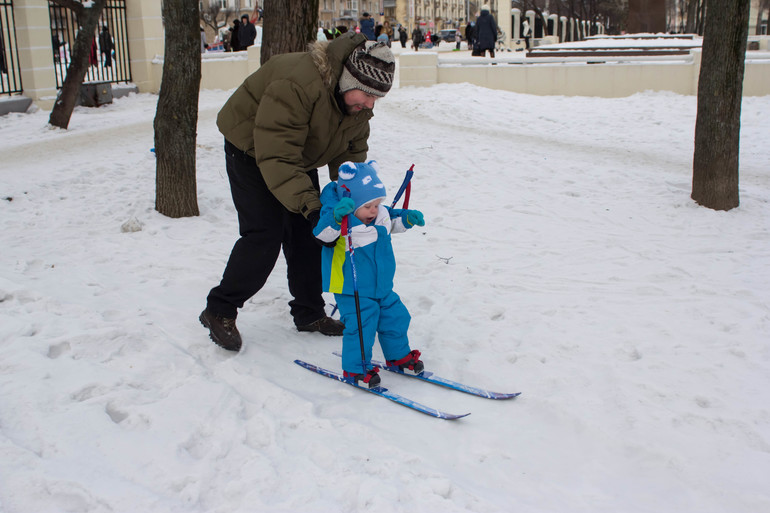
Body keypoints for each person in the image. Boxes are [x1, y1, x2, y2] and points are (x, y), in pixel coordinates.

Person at [200, 34, 396, 352]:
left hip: (296, 152)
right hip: (252, 147)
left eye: (377, 98)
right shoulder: (297, 85)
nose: (370, 105)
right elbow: (277, 155)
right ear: (347, 79)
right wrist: (312, 205)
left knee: (311, 231)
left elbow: (351, 153)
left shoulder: (356, 103)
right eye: (367, 95)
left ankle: (309, 313)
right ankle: (220, 309)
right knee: (265, 234)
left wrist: (354, 199)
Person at [312, 160, 425, 386]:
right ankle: (356, 369)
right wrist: (336, 217)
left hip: (381, 285)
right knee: (362, 325)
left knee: (396, 317)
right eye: (367, 206)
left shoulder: (379, 214)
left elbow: (392, 218)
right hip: (351, 287)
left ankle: (398, 356)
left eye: (376, 204)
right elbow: (322, 235)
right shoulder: (339, 216)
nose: (373, 211)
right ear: (351, 204)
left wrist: (407, 218)